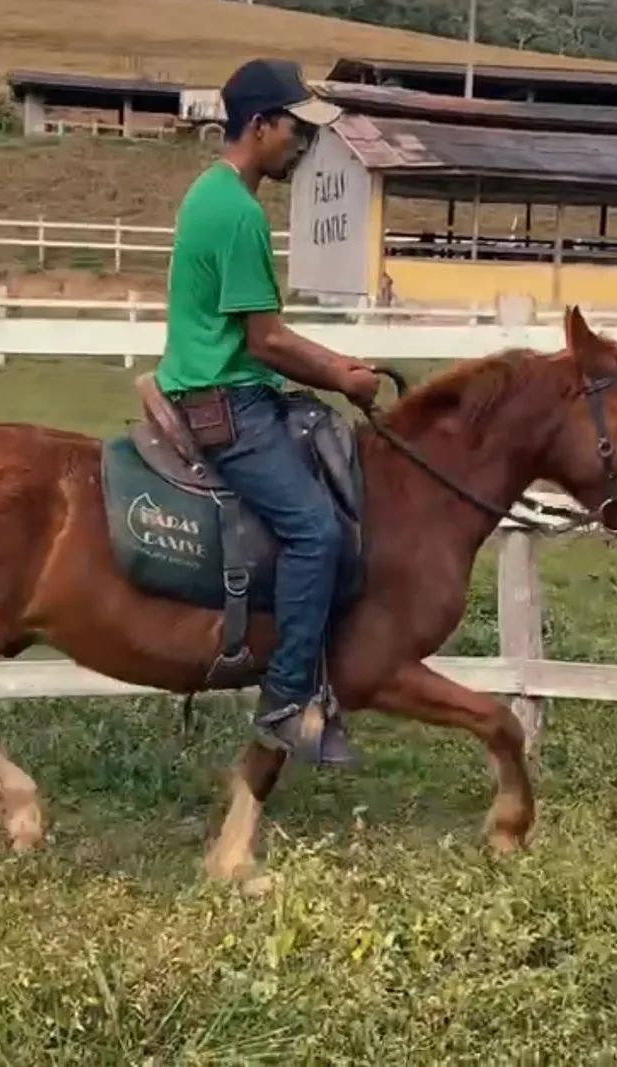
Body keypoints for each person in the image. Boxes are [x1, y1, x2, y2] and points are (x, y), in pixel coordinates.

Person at [154, 58, 381, 766]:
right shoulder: (237, 213)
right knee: (317, 531)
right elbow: (268, 339)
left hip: (222, 386)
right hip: (228, 402)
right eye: (295, 130)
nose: (302, 146)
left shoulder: (214, 196)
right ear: (260, 125)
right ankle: (287, 700)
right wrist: (345, 376)